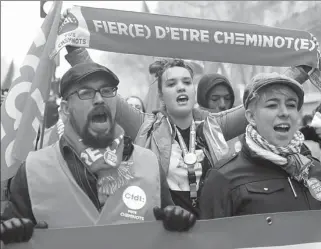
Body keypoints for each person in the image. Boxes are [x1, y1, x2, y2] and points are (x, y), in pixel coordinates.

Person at [0, 63, 196, 245]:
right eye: (86, 92)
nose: (100, 99)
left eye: (107, 90)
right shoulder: (33, 169)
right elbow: (12, 230)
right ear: (66, 108)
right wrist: (10, 235)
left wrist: (177, 224)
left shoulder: (149, 163)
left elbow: (166, 233)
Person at [64, 46, 249, 218]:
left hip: (215, 228)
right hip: (165, 231)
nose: (181, 87)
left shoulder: (215, 124)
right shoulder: (145, 125)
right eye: (171, 84)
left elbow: (257, 105)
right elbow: (105, 91)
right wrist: (76, 49)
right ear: (161, 95)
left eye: (187, 82)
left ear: (193, 90)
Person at [200, 72, 321, 219]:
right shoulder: (223, 178)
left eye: (291, 105)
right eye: (272, 105)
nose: (284, 112)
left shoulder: (314, 168)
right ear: (251, 117)